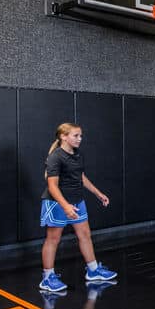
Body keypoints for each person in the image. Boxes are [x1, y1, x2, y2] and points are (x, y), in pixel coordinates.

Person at [39, 123, 117, 293]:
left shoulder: (78, 154)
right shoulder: (55, 157)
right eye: (76, 136)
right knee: (53, 239)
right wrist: (65, 205)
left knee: (85, 235)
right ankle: (47, 278)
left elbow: (80, 177)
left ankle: (93, 270)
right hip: (56, 203)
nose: (80, 139)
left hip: (77, 201)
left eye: (81, 136)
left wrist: (98, 193)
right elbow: (52, 186)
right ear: (63, 137)